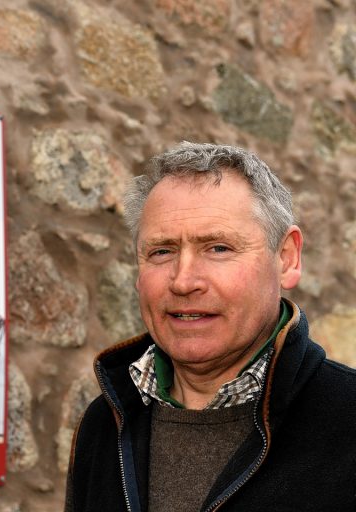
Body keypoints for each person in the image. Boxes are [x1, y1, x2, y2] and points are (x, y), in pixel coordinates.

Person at [64, 142, 356, 511]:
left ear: (286, 258)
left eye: (218, 248)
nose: (184, 281)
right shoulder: (102, 426)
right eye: (161, 251)